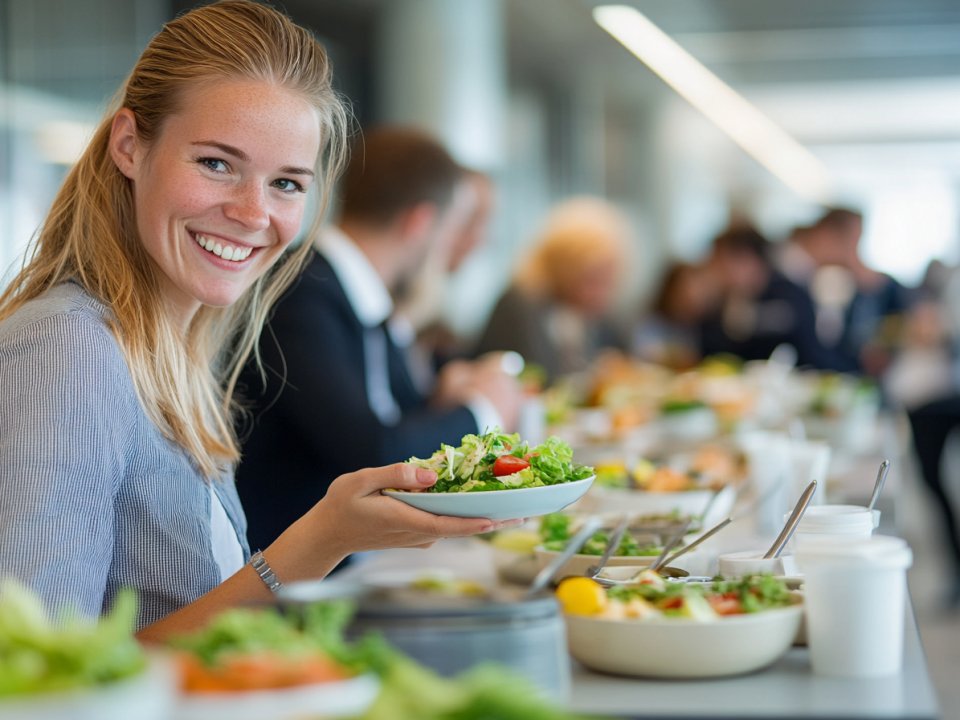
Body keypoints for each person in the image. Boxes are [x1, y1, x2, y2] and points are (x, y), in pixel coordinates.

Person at [0, 1, 519, 641]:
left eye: (286, 184)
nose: (253, 214)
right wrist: (321, 539)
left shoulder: (171, 350)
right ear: (130, 146)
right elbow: (40, 676)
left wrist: (332, 539)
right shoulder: (67, 348)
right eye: (216, 163)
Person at [236, 128, 522, 552]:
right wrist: (483, 409)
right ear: (421, 223)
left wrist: (443, 399)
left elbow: (392, 418)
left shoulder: (357, 294)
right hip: (290, 568)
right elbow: (373, 453)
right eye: (450, 230)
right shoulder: (300, 292)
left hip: (355, 556)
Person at [475, 196, 628, 380]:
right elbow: (537, 378)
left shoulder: (592, 317)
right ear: (564, 268)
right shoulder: (521, 305)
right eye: (592, 280)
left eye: (608, 282)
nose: (601, 294)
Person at [699, 227, 858, 372]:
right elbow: (713, 354)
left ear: (748, 259)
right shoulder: (724, 301)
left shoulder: (789, 295)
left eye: (723, 263)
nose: (720, 273)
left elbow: (811, 351)